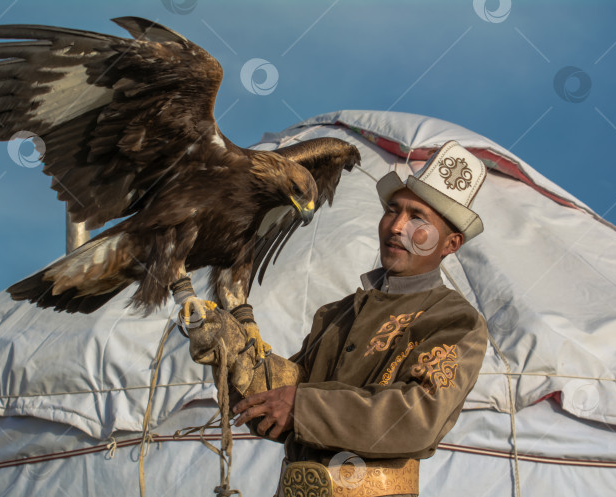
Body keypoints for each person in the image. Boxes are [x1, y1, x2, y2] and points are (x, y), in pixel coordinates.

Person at [185, 141, 489, 497]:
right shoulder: (336, 313)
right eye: (393, 210)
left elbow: (418, 416)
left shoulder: (456, 321)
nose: (396, 227)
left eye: (417, 218)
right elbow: (288, 392)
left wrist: (302, 405)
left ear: (450, 244)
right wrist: (234, 356)